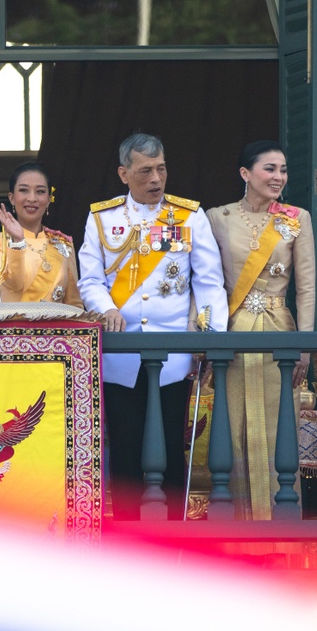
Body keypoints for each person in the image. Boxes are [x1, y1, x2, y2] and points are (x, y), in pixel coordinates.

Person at [78, 133, 228, 520]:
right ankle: (128, 542)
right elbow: (90, 281)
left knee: (172, 449)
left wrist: (209, 337)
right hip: (121, 354)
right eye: (145, 171)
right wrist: (106, 308)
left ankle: (174, 536)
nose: (156, 179)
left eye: (161, 168)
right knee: (125, 448)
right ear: (123, 173)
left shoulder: (188, 216)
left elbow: (209, 283)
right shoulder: (102, 218)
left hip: (175, 356)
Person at [206, 140, 315, 520]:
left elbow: (306, 287)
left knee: (278, 430)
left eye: (283, 170)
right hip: (233, 332)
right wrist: (204, 334)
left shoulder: (296, 217)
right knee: (233, 429)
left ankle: (282, 529)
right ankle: (236, 535)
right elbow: (206, 282)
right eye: (270, 169)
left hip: (279, 331)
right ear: (245, 174)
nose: (278, 177)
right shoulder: (217, 217)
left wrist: (305, 345)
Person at [0, 162, 83, 307]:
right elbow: (14, 283)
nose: (32, 198)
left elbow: (74, 304)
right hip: (15, 328)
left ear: (49, 199)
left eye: (40, 191)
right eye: (24, 190)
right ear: (11, 198)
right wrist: (17, 241)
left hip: (57, 329)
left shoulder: (63, 244)